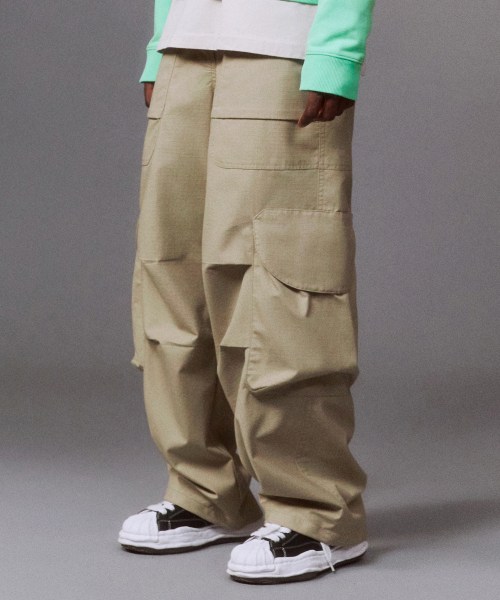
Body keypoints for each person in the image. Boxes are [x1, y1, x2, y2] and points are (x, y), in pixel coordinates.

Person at [118, 0, 376, 585]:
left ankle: (318, 510)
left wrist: (335, 52)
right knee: (173, 266)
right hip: (185, 49)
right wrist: (160, 45)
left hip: (281, 48)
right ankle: (205, 491)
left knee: (276, 276)